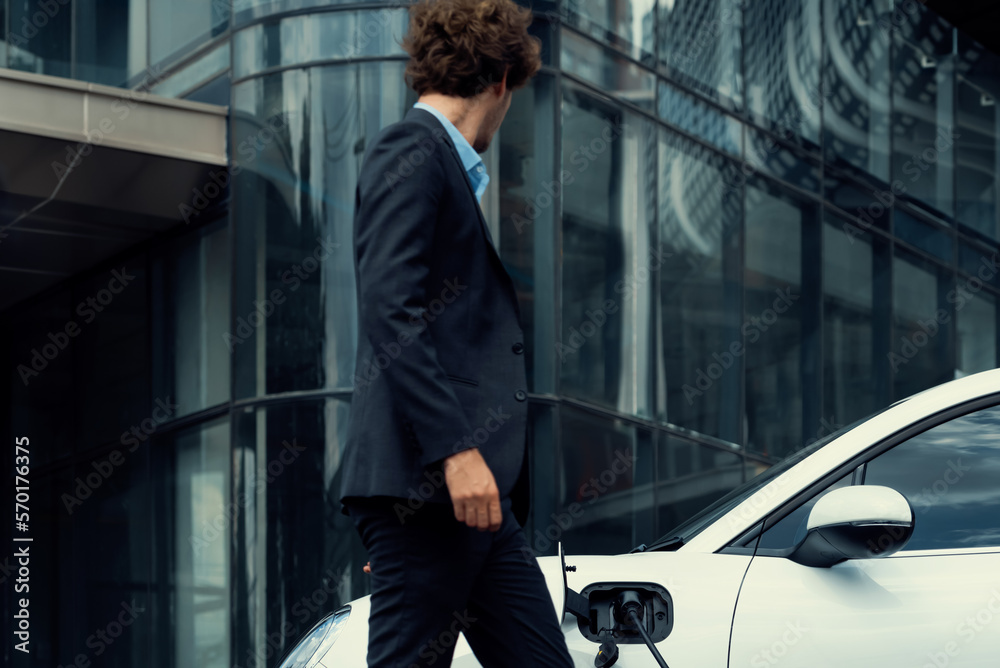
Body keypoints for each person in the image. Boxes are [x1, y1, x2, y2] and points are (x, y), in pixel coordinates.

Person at [337, 0, 575, 666]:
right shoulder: (410, 149)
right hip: (434, 487)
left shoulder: (438, 165)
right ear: (502, 79)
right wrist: (456, 451)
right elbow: (391, 308)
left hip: (473, 503)